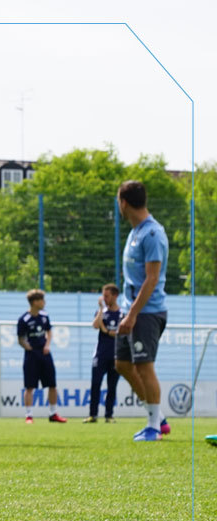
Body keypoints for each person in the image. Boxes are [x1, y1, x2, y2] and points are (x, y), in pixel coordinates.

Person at [114, 180, 170, 442]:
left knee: (145, 367)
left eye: (118, 201)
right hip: (131, 310)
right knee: (123, 364)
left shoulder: (152, 234)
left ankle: (154, 427)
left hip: (147, 313)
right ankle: (157, 416)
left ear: (124, 202)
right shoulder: (134, 232)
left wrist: (133, 314)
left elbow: (152, 278)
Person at [17, 289, 67, 424]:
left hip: (45, 354)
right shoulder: (24, 319)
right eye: (42, 300)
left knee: (52, 384)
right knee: (30, 386)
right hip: (31, 356)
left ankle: (53, 413)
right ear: (35, 302)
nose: (44, 302)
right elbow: (21, 339)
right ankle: (29, 415)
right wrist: (29, 348)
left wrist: (47, 345)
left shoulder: (44, 316)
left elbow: (49, 332)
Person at [83, 284, 121, 423]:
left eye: (107, 296)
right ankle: (93, 415)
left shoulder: (122, 313)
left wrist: (107, 331)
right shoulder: (102, 311)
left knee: (112, 386)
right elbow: (95, 325)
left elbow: (121, 333)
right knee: (95, 384)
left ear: (115, 296)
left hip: (116, 355)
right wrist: (100, 309)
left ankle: (109, 415)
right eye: (103, 295)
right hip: (100, 355)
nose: (104, 298)